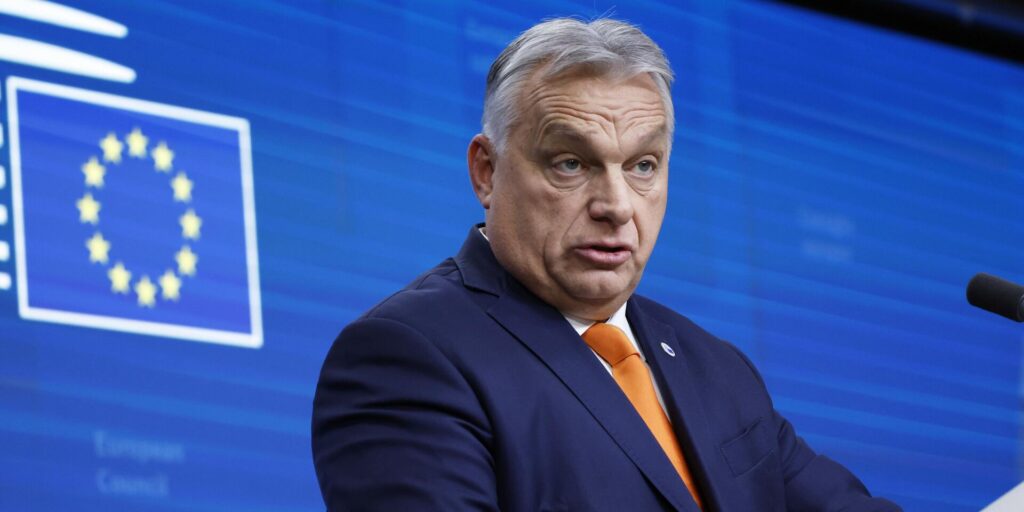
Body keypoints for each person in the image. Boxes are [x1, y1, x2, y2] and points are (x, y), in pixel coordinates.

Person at [312, 18, 901, 512]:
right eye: (571, 163)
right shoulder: (408, 356)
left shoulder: (717, 367)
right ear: (486, 172)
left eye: (643, 165)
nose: (617, 206)